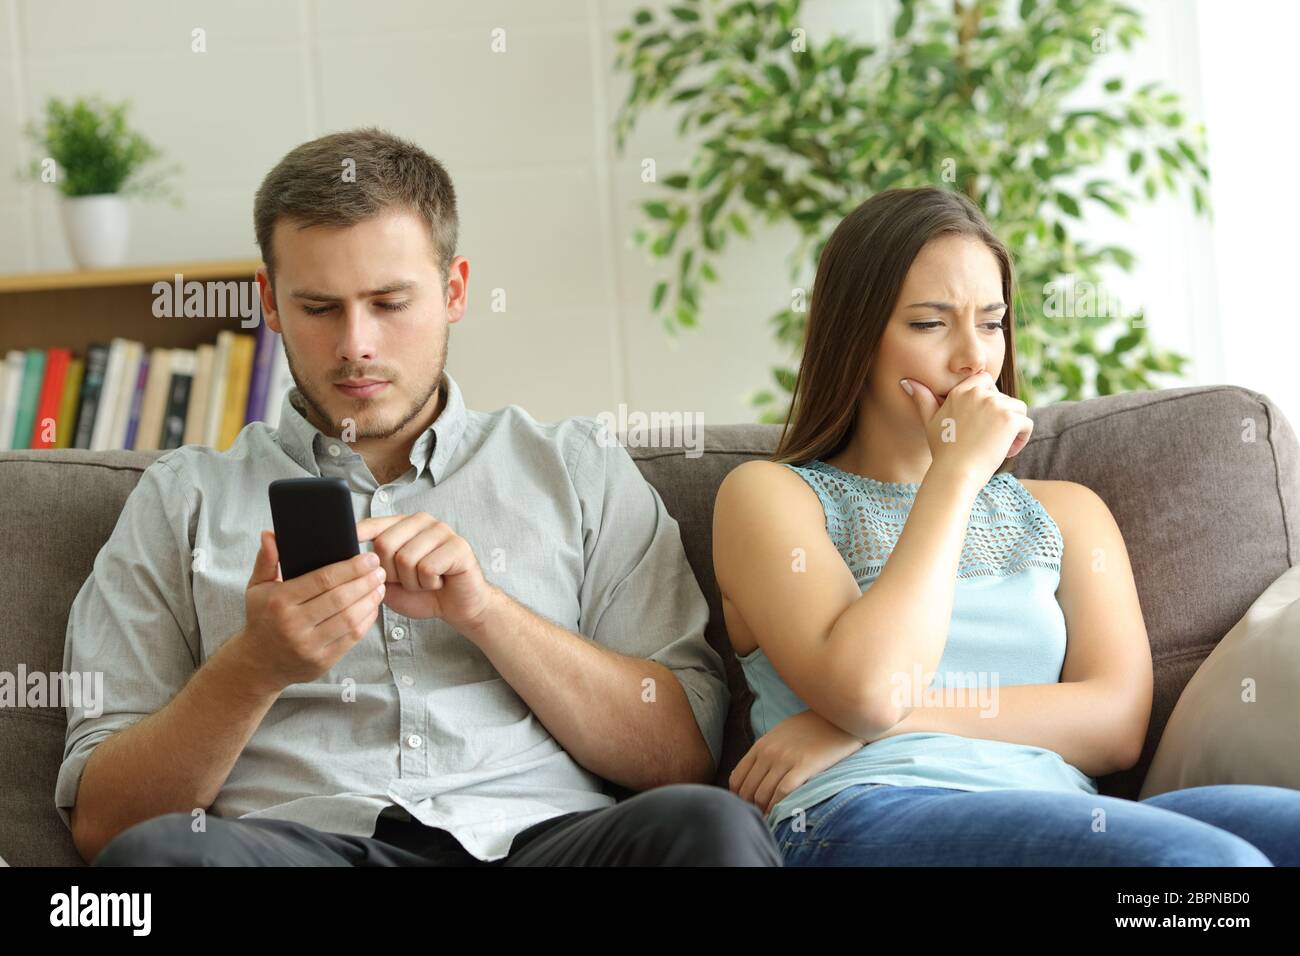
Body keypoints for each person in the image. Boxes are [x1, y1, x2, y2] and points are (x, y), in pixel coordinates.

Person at [58, 127, 780, 868]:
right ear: (270, 305)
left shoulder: (578, 469)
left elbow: (680, 754)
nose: (356, 344)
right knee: (163, 859)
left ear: (455, 291)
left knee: (707, 827)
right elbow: (106, 824)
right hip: (300, 850)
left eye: (389, 302)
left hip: (545, 844)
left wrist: (487, 613)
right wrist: (257, 665)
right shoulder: (179, 501)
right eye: (319, 307)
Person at [713, 185, 1300, 866]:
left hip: (1070, 811)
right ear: (856, 338)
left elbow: (1114, 726)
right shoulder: (770, 497)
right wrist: (955, 475)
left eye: (990, 322)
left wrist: (858, 727)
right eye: (930, 324)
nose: (974, 359)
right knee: (1207, 875)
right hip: (866, 810)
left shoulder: (1067, 512)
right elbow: (871, 692)